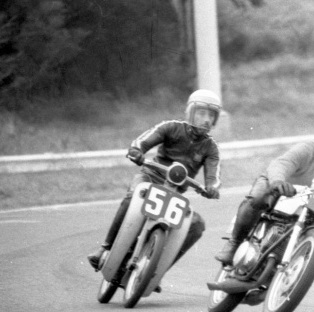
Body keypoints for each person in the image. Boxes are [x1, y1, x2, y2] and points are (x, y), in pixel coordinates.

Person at [87, 89, 222, 271]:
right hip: (150, 177)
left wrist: (212, 188)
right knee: (134, 195)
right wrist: (137, 151)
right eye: (202, 113)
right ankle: (105, 248)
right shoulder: (171, 127)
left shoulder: (211, 148)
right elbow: (142, 142)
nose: (206, 119)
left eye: (211, 115)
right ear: (191, 112)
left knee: (196, 226)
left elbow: (213, 177)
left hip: (175, 193)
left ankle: (155, 271)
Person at [214, 119, 314, 266]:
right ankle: (235, 243)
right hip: (280, 187)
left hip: (309, 206)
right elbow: (283, 163)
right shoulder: (309, 149)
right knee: (257, 199)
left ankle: (293, 269)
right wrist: (278, 181)